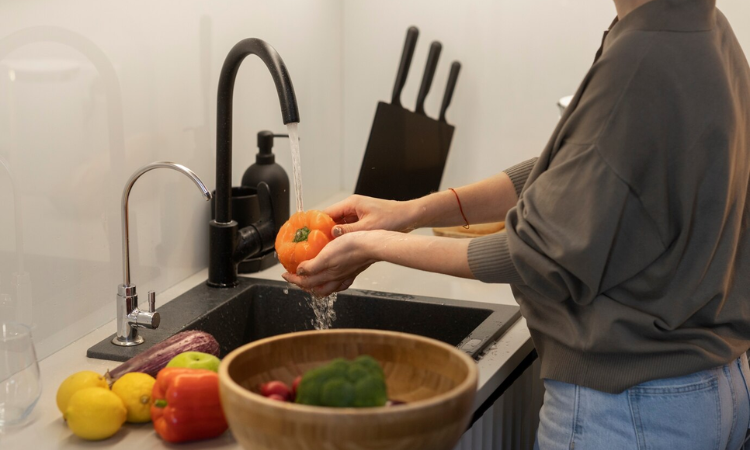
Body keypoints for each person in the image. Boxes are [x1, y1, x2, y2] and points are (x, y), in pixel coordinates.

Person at [284, 0, 750, 448]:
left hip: (632, 409)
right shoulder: (703, 28)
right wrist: (412, 212)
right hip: (710, 387)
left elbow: (533, 252)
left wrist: (376, 245)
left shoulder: (640, 58)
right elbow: (571, 171)